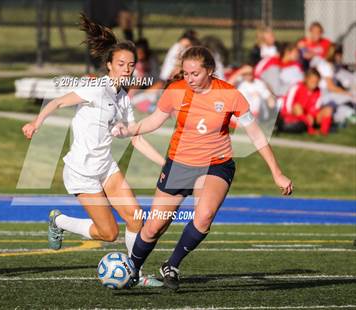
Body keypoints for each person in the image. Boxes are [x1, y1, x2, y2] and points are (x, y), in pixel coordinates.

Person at [112, 46, 293, 290]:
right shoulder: (175, 91)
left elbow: (256, 135)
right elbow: (155, 120)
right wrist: (129, 129)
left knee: (204, 216)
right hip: (179, 163)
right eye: (186, 74)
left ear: (209, 70)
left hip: (216, 164)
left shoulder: (230, 95)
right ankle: (132, 268)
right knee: (156, 225)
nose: (190, 79)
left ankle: (172, 264)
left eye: (195, 74)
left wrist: (277, 172)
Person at [22, 13, 164, 287]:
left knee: (137, 218)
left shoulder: (123, 98)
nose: (126, 69)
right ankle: (59, 220)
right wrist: (36, 122)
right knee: (108, 233)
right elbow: (58, 102)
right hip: (82, 173)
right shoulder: (95, 88)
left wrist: (166, 164)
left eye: (131, 65)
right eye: (121, 63)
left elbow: (137, 138)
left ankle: (135, 273)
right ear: (109, 64)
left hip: (106, 168)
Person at [279, 68, 333, 135]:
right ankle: (310, 130)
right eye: (312, 81)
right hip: (292, 115)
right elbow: (288, 105)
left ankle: (323, 132)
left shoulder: (318, 91)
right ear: (306, 79)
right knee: (297, 107)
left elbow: (316, 107)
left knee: (328, 110)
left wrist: (310, 115)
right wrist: (304, 116)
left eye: (316, 82)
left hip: (308, 117)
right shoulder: (296, 87)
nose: (314, 84)